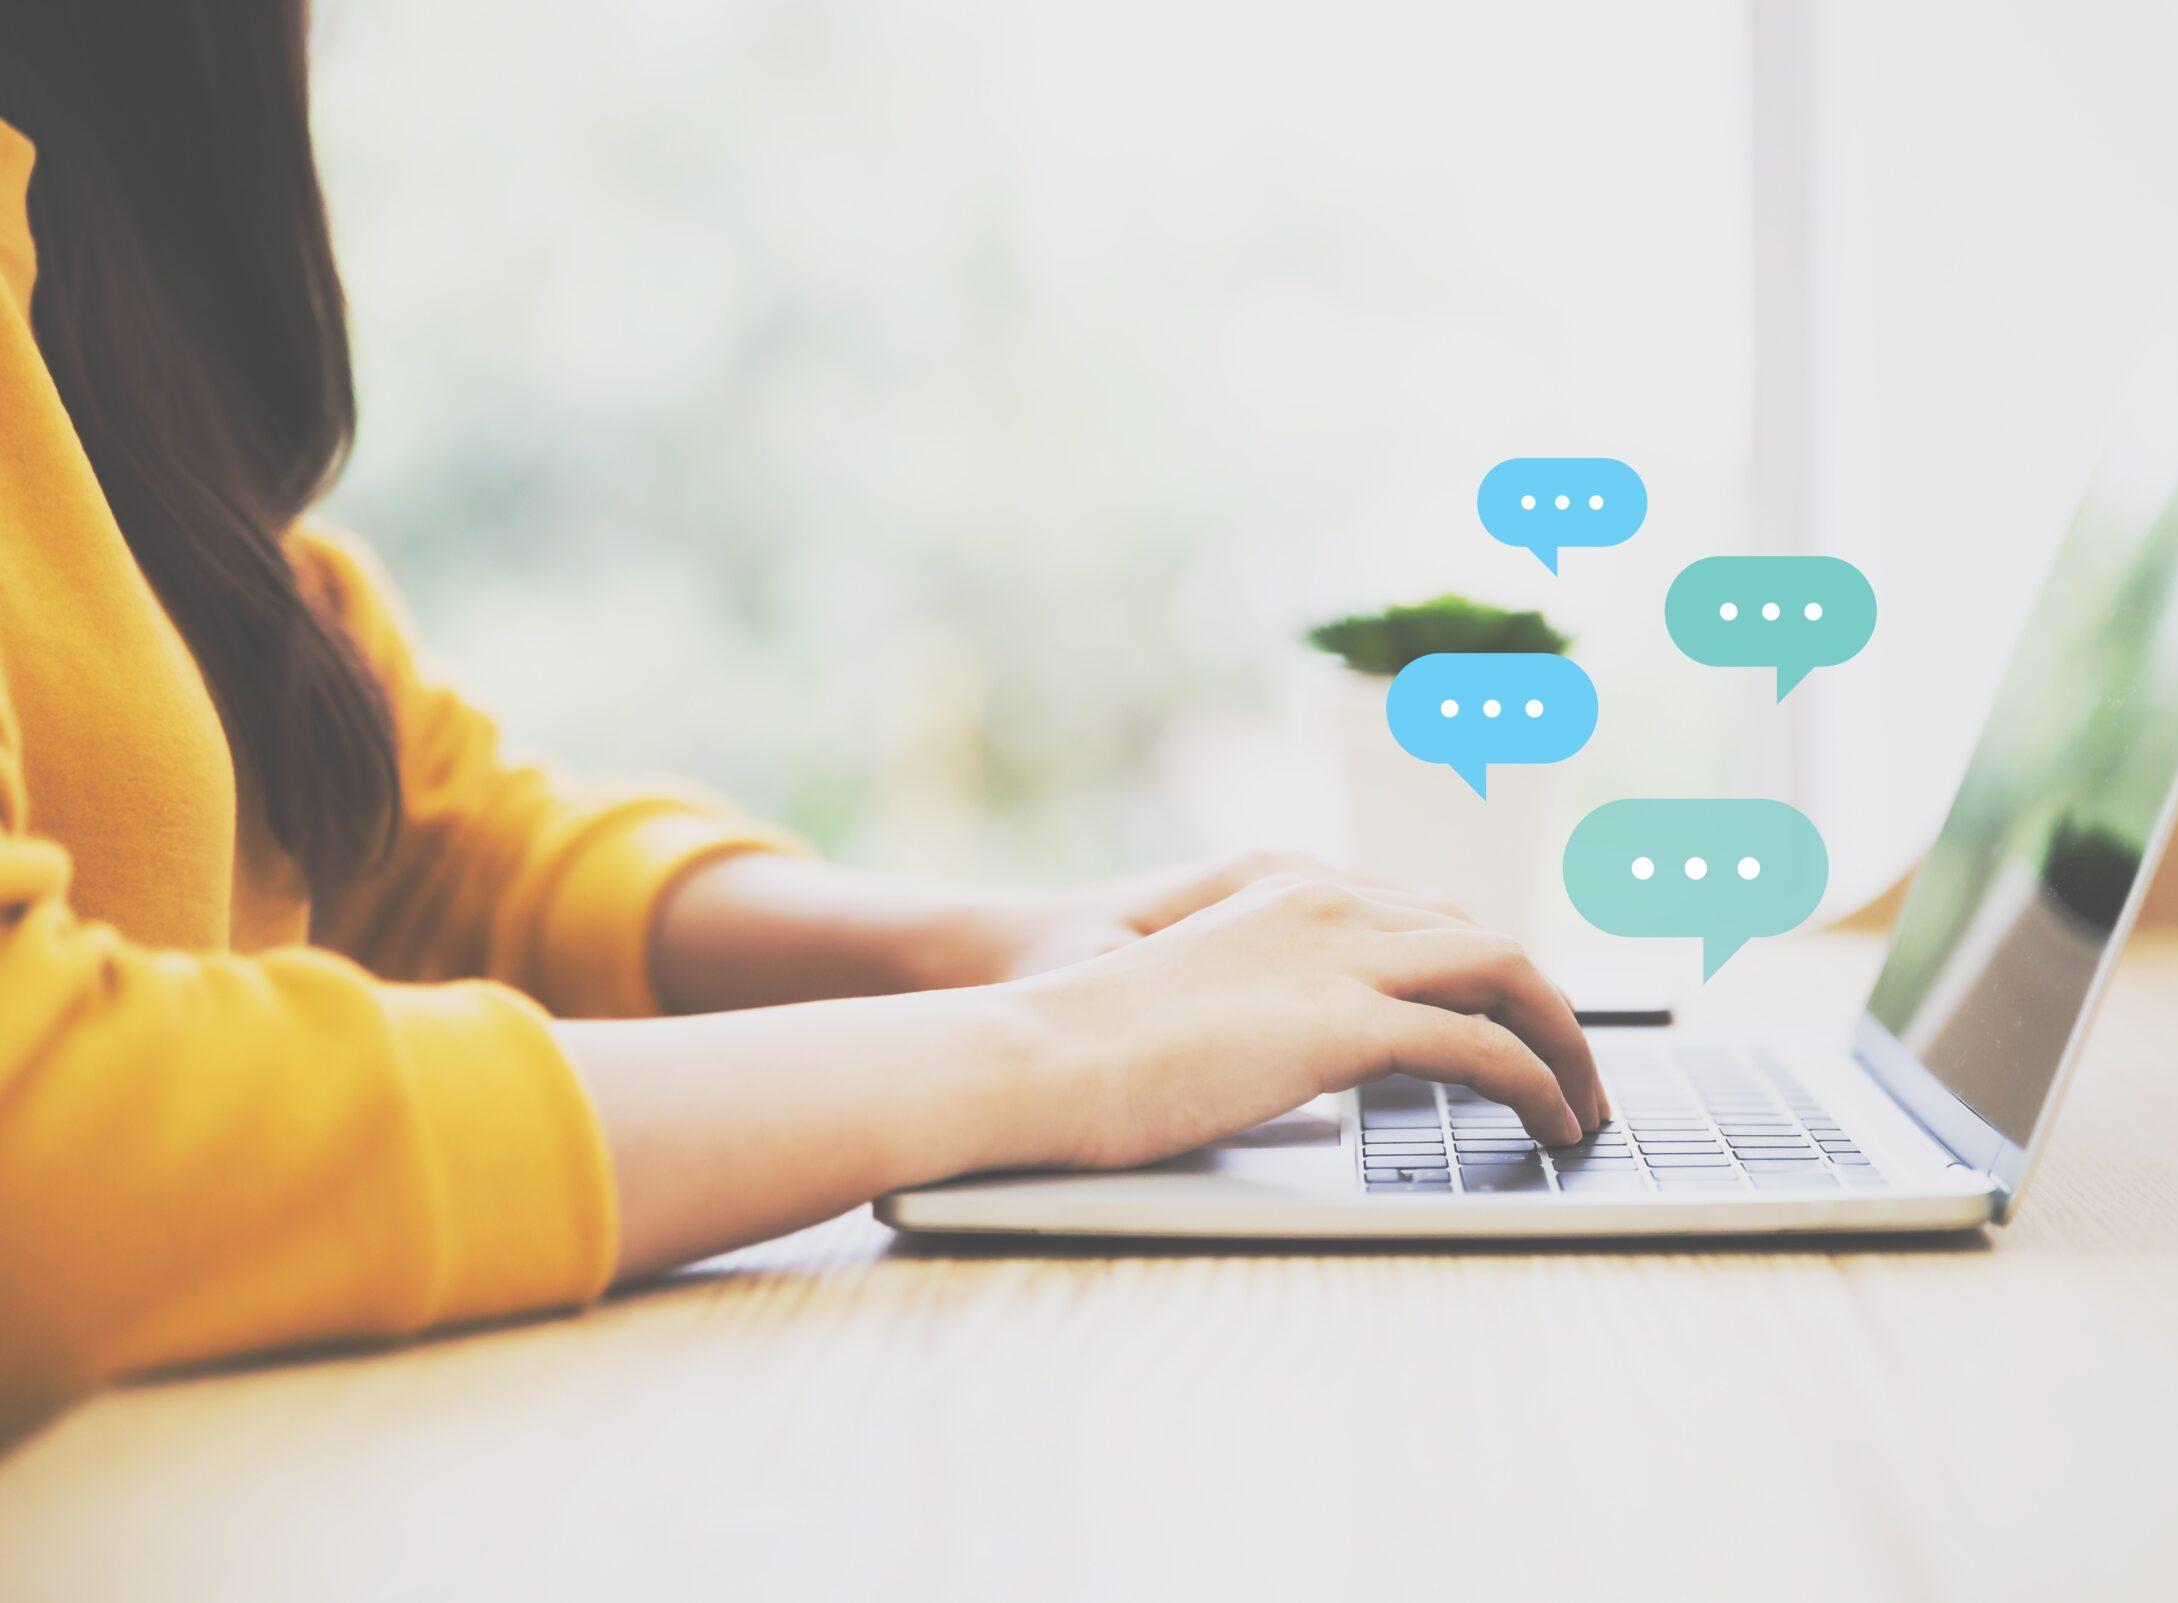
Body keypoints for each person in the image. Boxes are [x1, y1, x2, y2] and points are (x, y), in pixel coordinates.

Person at [0, 8, 1600, 1426]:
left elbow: (403, 840)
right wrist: (1053, 1055)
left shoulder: (82, 215)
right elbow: (37, 1139)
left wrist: (976, 946)